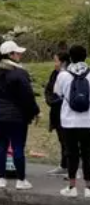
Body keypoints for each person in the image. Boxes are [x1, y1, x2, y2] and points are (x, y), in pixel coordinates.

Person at [0, 40, 40, 191]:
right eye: (17, 53)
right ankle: (21, 179)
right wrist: (36, 111)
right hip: (17, 116)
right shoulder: (20, 73)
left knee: (2, 145)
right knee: (18, 146)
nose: (20, 55)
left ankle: (1, 178)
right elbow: (28, 96)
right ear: (10, 55)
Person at [55, 44, 90, 197]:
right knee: (88, 154)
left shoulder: (63, 75)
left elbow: (58, 94)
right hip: (88, 121)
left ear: (70, 57)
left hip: (69, 121)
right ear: (85, 57)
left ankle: (72, 187)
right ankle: (88, 188)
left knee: (71, 153)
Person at [45, 49, 71, 177]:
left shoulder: (70, 75)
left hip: (67, 113)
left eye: (56, 61)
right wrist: (51, 100)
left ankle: (72, 168)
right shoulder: (55, 73)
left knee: (69, 141)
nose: (54, 64)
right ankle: (64, 165)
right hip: (56, 112)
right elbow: (49, 89)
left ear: (63, 62)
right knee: (62, 140)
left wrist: (58, 100)